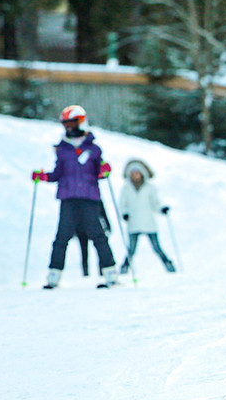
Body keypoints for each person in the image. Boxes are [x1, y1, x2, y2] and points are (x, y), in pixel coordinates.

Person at [31, 105, 119, 289]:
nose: (69, 127)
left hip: (89, 197)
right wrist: (44, 176)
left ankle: (110, 271)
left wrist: (104, 171)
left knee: (97, 234)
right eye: (66, 123)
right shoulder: (62, 149)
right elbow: (57, 174)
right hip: (68, 197)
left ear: (82, 122)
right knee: (62, 236)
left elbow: (98, 174)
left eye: (72, 123)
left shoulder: (94, 149)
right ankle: (54, 275)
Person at [118, 159, 176, 274]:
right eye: (133, 173)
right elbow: (122, 204)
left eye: (137, 173)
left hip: (148, 222)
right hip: (133, 222)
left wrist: (161, 209)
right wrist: (124, 214)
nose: (135, 176)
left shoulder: (149, 188)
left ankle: (168, 265)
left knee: (157, 247)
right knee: (131, 249)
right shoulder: (126, 188)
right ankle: (125, 267)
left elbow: (155, 203)